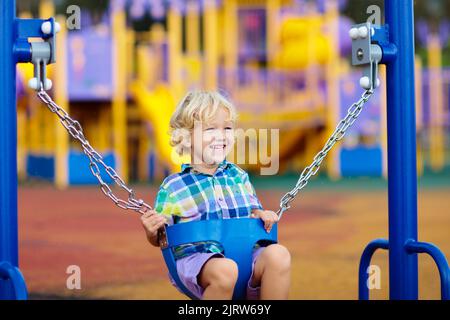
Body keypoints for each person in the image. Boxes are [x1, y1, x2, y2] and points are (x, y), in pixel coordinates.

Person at [141, 90, 291, 300]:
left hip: (244, 256)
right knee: (225, 270)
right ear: (186, 137)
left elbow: (253, 211)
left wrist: (263, 215)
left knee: (279, 255)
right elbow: (161, 237)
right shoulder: (174, 186)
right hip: (199, 263)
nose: (221, 135)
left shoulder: (239, 176)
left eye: (227, 128)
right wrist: (151, 231)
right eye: (211, 129)